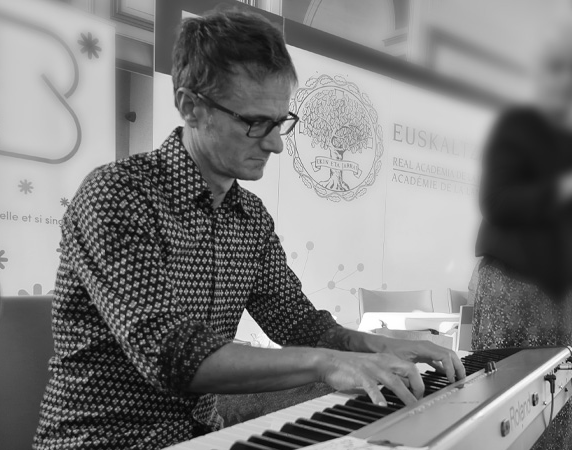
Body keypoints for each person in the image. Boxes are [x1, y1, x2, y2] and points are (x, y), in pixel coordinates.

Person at [34, 10, 464, 450]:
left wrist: (382, 347)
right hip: (101, 440)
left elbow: (298, 322)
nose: (275, 143)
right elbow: (172, 355)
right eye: (255, 123)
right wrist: (328, 363)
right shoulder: (118, 194)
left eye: (279, 123)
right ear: (191, 107)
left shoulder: (250, 217)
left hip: (203, 435)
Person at [472, 20, 572, 450]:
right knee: (500, 411)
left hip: (559, 298)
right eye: (558, 70)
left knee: (557, 408)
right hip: (512, 290)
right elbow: (496, 201)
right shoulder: (517, 127)